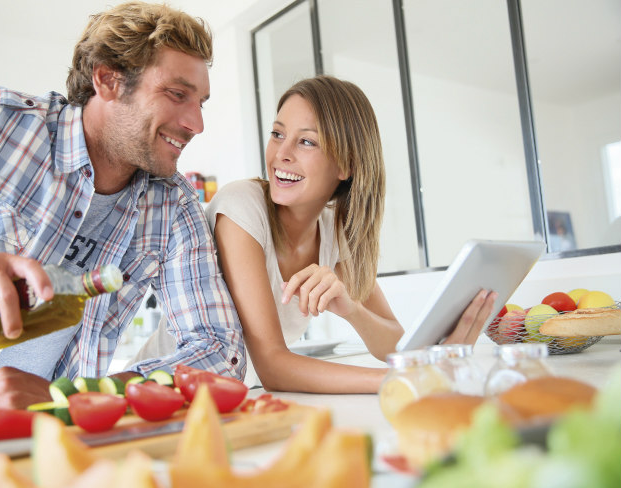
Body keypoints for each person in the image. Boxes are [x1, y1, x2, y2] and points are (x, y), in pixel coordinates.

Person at [0, 1, 244, 409]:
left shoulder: (173, 207)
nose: (196, 123)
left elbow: (220, 350)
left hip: (34, 443)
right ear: (108, 80)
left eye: (200, 102)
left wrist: (78, 396)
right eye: (177, 94)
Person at [205, 75, 497, 392]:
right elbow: (273, 365)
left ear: (345, 165)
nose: (281, 154)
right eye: (278, 134)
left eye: (306, 141)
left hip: (238, 397)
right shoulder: (241, 208)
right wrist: (405, 379)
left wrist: (352, 310)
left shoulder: (334, 231)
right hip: (171, 391)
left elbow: (396, 346)